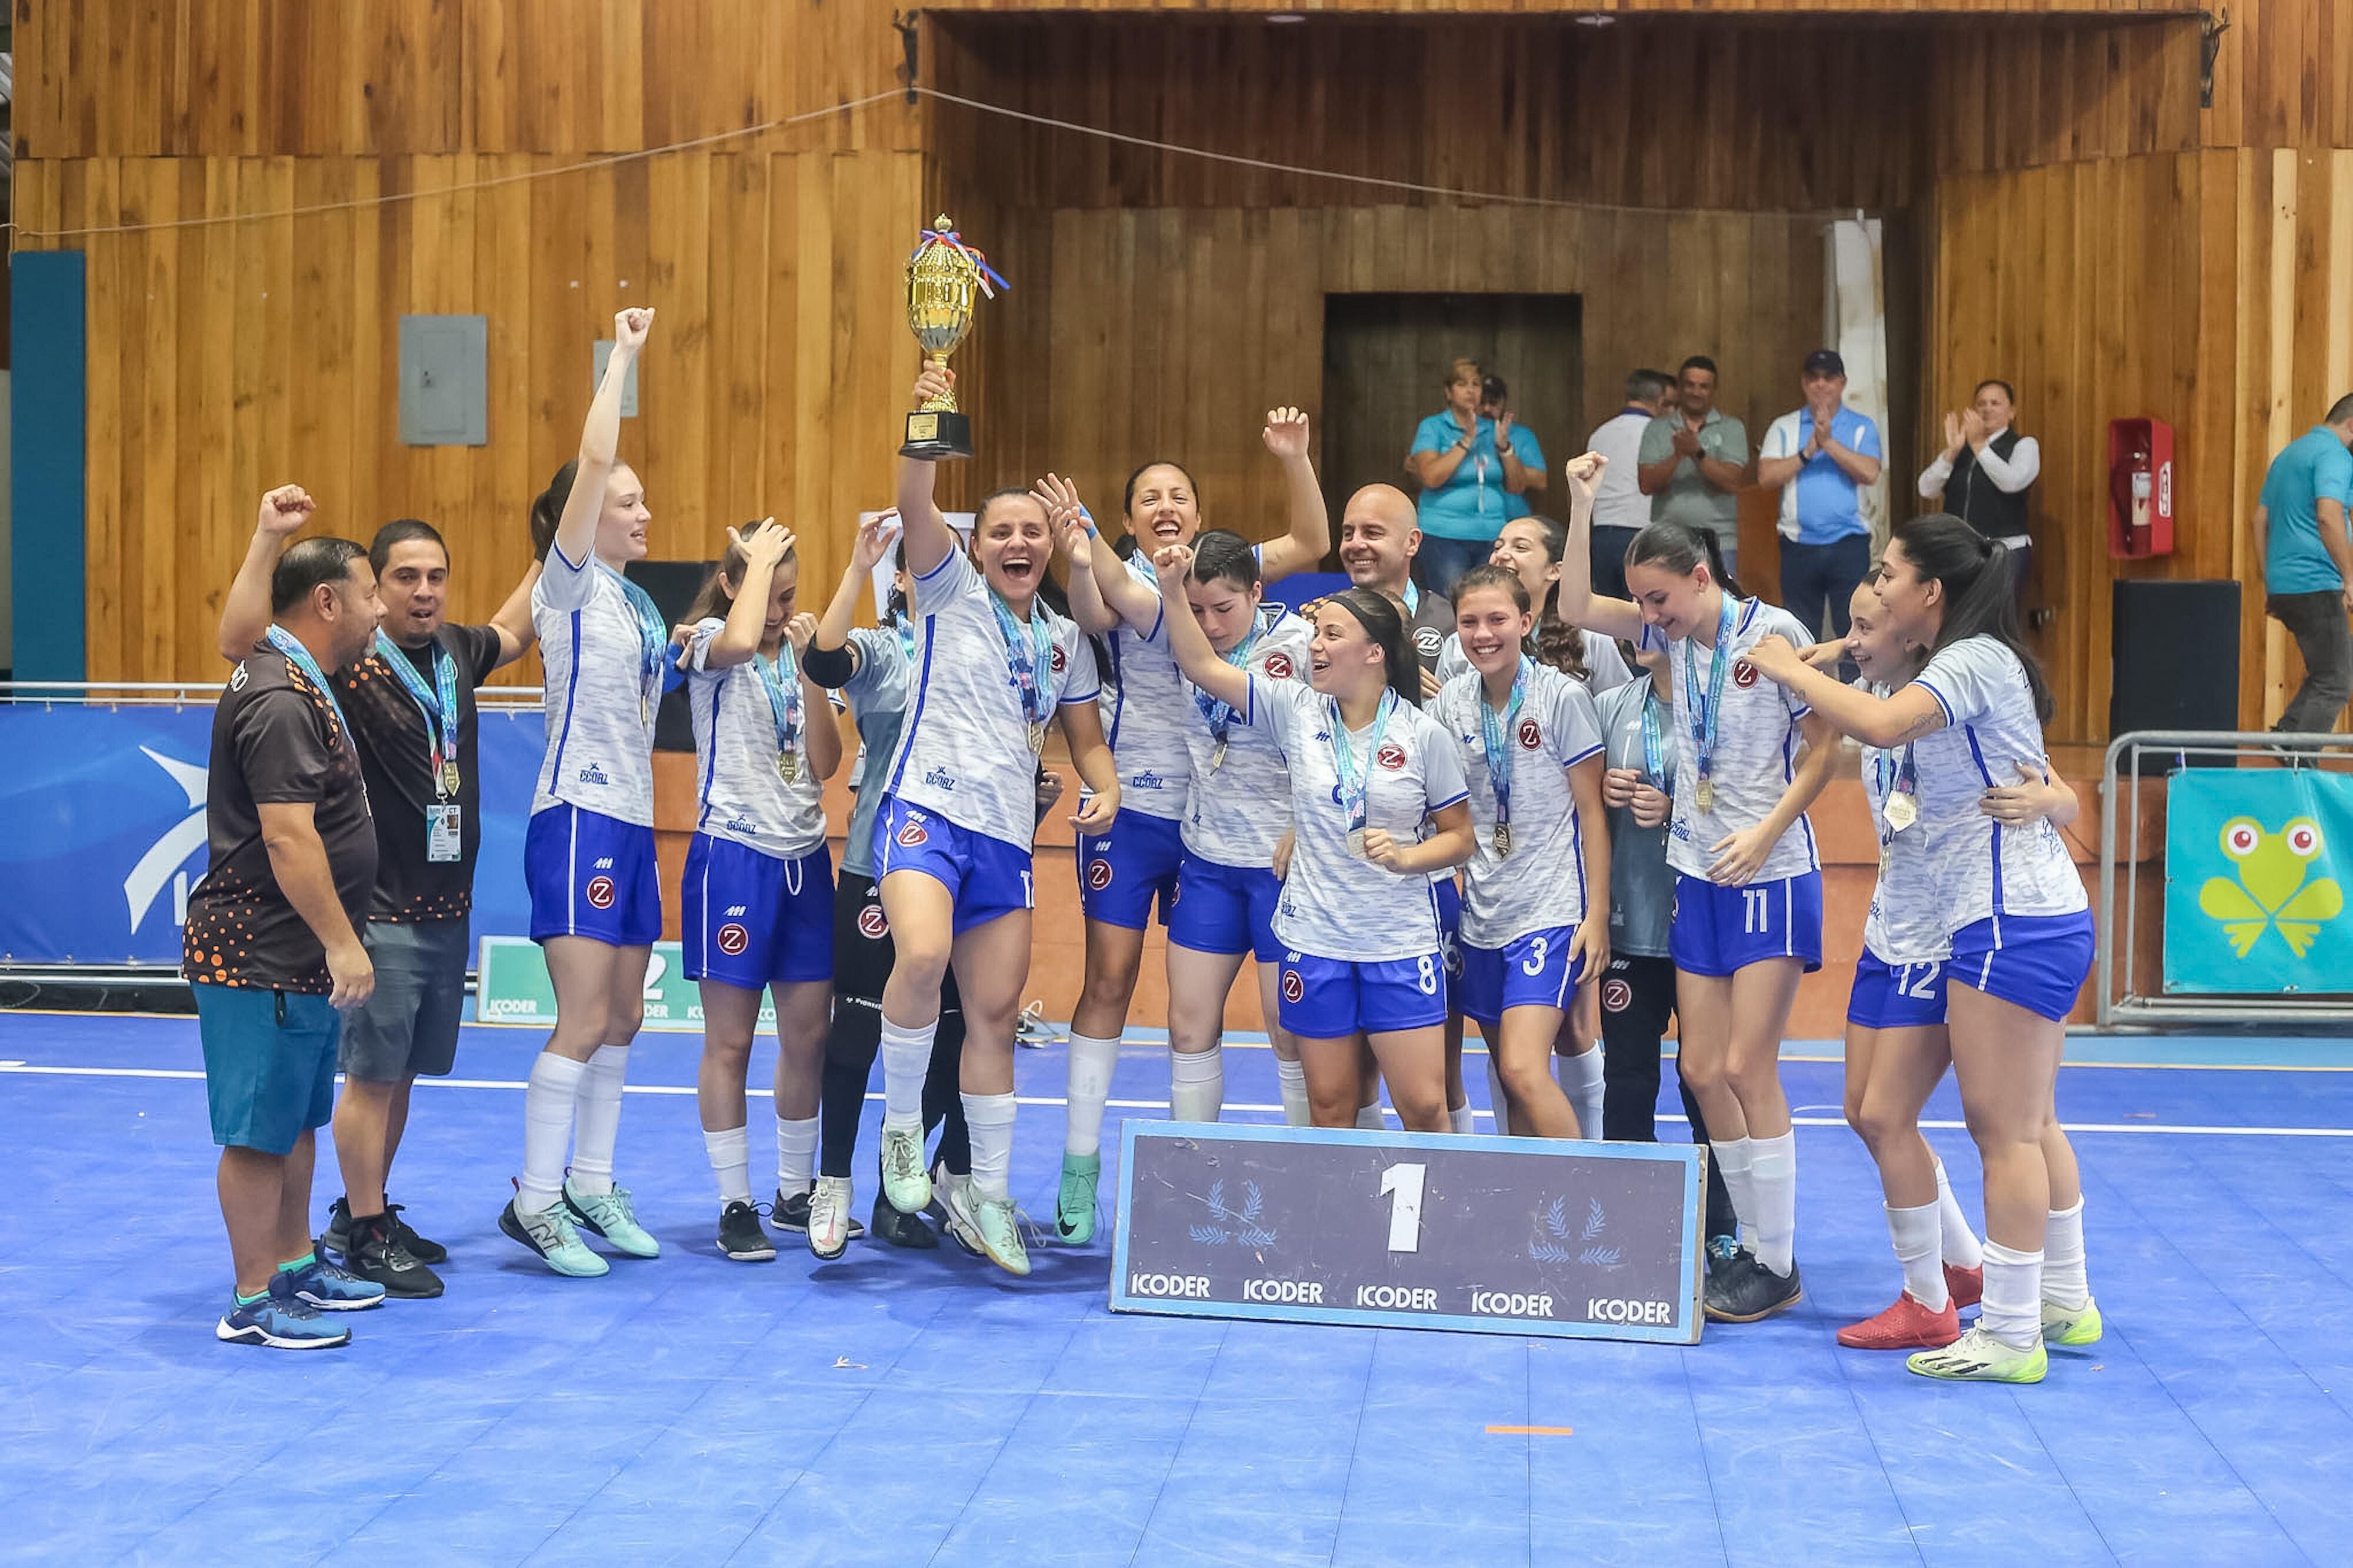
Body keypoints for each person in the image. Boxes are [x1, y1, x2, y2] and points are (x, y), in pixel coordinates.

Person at [1742, 514, 2101, 1384]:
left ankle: (2014, 1331)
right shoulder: (1947, 668)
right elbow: (2044, 787)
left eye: (1886, 575)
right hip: (1978, 917)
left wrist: (1789, 664)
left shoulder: (1971, 663)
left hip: (2010, 916)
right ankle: (2064, 1300)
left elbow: (1886, 724)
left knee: (2005, 1130)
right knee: (2009, 1121)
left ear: (1927, 594)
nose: (1872, 594)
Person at [215, 495, 540, 1297]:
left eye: (437, 576)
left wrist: (557, 537)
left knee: (395, 1079)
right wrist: (265, 539)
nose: (422, 591)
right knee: (354, 1086)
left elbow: (520, 623)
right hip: (372, 916)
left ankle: (362, 1214)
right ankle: (347, 1237)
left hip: (443, 907)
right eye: (401, 578)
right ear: (367, 591)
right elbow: (240, 640)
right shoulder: (338, 663)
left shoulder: (458, 651)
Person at [1045, 409, 1331, 1243]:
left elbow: (1308, 539)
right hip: (1137, 808)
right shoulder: (1123, 576)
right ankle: (1082, 1162)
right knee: (1111, 981)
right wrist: (1086, 540)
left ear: (1199, 513)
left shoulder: (1224, 570)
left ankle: (1301, 1181)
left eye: (1178, 494)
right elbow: (1104, 606)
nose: (1165, 505)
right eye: (1148, 498)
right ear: (1129, 517)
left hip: (1229, 824)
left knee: (1262, 1013)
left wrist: (1293, 457)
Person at [1558, 486, 1842, 1324]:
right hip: (1697, 871)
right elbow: (1574, 604)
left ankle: (1777, 1259)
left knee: (1748, 1068)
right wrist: (1580, 504)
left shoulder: (1778, 634)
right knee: (1698, 1069)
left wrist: (1766, 832)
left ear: (1701, 576)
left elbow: (1825, 751)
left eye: (1659, 598)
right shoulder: (1675, 640)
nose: (1649, 616)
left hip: (1770, 874)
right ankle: (1753, 1246)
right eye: (1641, 601)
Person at [870, 363, 1121, 1277]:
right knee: (924, 957)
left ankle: (989, 1195)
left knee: (995, 1014)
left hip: (1005, 839)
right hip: (925, 811)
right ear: (976, 546)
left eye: (1032, 531)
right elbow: (911, 494)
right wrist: (929, 412)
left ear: (1051, 545)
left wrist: (1107, 786)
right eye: (1000, 531)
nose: (1016, 542)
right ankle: (901, 1130)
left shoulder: (1062, 638)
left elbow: (1086, 742)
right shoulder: (947, 589)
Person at [1154, 551, 1475, 1130]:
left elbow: (1459, 839)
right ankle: (1341, 1222)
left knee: (1424, 1105)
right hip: (1316, 939)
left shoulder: (1424, 735)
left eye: (1331, 634)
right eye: (1316, 634)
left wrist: (1406, 857)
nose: (1315, 646)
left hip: (1397, 943)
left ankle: (1436, 1222)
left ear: (1374, 652)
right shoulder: (1293, 707)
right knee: (1330, 1105)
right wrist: (1172, 590)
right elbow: (1201, 664)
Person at [190, 532, 390, 1347]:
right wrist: (344, 942)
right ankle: (249, 1298)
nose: (380, 608)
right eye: (371, 591)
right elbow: (287, 838)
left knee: (296, 1120)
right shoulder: (278, 695)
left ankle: (294, 1261)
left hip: (290, 954)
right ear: (327, 601)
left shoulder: (301, 676)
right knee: (256, 1131)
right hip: (259, 952)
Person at [1054, 517, 1315, 1130]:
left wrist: (1311, 822)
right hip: (1208, 863)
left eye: (1223, 607)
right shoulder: (1181, 626)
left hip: (1283, 867)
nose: (1210, 623)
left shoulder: (1304, 643)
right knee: (1187, 1025)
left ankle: (1311, 1175)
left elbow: (1343, 734)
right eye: (1196, 608)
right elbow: (1115, 587)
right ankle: (1189, 1174)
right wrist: (1086, 529)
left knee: (1288, 1029)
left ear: (1257, 592)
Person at [504, 306, 667, 1278]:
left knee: (626, 1018)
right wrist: (624, 356)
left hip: (636, 821)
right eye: (627, 500)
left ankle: (591, 1182)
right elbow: (594, 457)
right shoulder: (565, 581)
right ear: (587, 511)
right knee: (581, 1019)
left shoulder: (639, 606)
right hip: (577, 814)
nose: (643, 512)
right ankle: (535, 1200)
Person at [801, 514, 982, 1258]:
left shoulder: (985, 653)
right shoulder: (885, 652)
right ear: (904, 579)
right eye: (920, 570)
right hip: (880, 866)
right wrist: (856, 567)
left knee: (954, 1044)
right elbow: (823, 661)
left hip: (969, 868)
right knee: (856, 1033)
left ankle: (893, 1191)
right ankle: (832, 1184)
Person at [1814, 582, 1989, 1351]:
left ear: (1915, 633)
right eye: (1848, 625)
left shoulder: (1942, 699)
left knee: (1889, 1114)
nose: (1851, 640)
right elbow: (1835, 678)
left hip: (1940, 935)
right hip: (1887, 930)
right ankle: (1962, 1262)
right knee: (1861, 1109)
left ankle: (1929, 1301)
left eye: (1865, 625)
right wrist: (1829, 651)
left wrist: (2057, 800)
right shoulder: (1874, 682)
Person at [674, 521, 844, 1262]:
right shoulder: (711, 638)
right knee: (732, 1040)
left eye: (789, 596)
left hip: (805, 859)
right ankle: (733, 1200)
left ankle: (793, 1189)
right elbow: (740, 641)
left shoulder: (795, 654)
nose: (779, 612)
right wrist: (753, 575)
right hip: (733, 856)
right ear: (734, 584)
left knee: (808, 1036)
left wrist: (812, 670)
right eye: (768, 594)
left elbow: (828, 762)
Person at [1434, 561, 1610, 1139]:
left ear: (1526, 621)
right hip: (1482, 915)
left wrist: (1596, 916)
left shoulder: (1561, 696)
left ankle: (1589, 1209)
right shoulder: (1452, 703)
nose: (1482, 633)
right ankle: (1529, 1215)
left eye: (1496, 619)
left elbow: (1591, 811)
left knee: (1522, 1067)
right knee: (1510, 1081)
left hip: (1550, 910)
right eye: (1469, 621)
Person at [1594, 638, 1739, 1256]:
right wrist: (1597, 789)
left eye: (1658, 612)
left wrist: (1677, 806)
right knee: (1627, 1079)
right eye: (1636, 615)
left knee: (1703, 1080)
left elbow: (1750, 807)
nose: (1644, 628)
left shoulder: (1726, 707)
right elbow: (1577, 813)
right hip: (1630, 922)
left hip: (1704, 922)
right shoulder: (1606, 706)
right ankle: (1628, 1217)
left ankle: (1725, 1228)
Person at [1758, 349, 1883, 656]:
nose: (1821, 385)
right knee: (1800, 631)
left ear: (1842, 383)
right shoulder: (1784, 426)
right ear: (1804, 383)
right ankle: (1804, 700)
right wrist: (1808, 451)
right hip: (1798, 545)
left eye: (1828, 378)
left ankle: (1854, 697)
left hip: (1848, 543)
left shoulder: (1861, 426)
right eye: (1813, 378)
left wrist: (1829, 443)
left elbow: (1869, 472)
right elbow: (1766, 477)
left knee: (1856, 629)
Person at [2251, 395, 2353, 739]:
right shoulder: (2334, 455)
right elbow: (2328, 516)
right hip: (2316, 583)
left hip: (2286, 585)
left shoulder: (2289, 455)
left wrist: (2271, 581)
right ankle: (2297, 763)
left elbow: (2260, 520)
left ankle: (2286, 739)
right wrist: (2350, 575)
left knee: (2329, 670)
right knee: (2337, 682)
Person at [1407, 358, 1542, 598]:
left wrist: (1506, 449)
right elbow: (1431, 477)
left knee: (1494, 599)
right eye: (1462, 384)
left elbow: (1517, 486)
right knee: (1452, 602)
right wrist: (1467, 440)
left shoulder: (1493, 429)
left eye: (1476, 384)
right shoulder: (1434, 427)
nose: (1471, 390)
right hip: (1444, 533)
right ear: (1448, 392)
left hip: (1493, 534)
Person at [1917, 379, 2042, 610]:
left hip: (2005, 552)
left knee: (1997, 623)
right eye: (1981, 404)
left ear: (2012, 412)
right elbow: (1926, 489)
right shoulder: (1959, 450)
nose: (1987, 409)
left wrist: (1979, 446)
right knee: (1957, 621)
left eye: (1995, 403)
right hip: (1960, 552)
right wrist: (1952, 452)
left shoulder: (2024, 445)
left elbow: (2012, 482)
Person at [1637, 356, 1750, 581]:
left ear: (1714, 390)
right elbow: (1646, 484)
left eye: (1704, 387)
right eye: (1690, 385)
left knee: (1720, 609)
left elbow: (1733, 482)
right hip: (1667, 542)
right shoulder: (1657, 428)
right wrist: (1678, 455)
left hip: (1720, 542)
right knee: (1666, 608)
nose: (1696, 392)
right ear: (1679, 387)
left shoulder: (1732, 428)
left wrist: (1697, 453)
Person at [1338, 483, 1454, 687]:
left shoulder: (1452, 622)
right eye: (1348, 534)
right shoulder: (1316, 620)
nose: (1355, 544)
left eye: (1372, 533)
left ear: (1412, 542)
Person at [1586, 369, 1672, 602]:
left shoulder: (1599, 434)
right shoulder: (1659, 435)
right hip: (1641, 533)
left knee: (1604, 613)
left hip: (1602, 533)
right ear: (1661, 399)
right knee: (1641, 613)